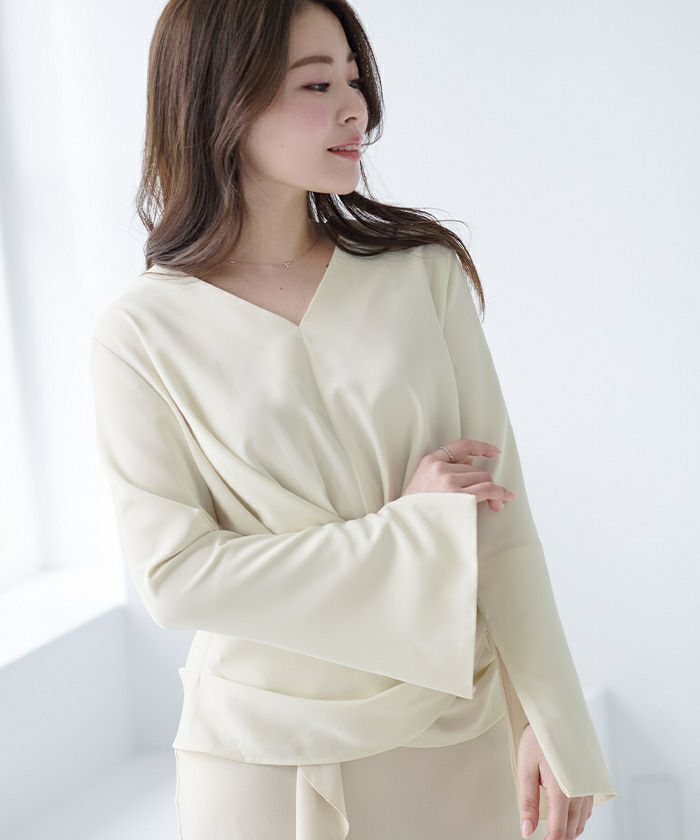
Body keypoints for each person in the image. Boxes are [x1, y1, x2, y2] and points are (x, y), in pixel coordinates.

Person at [88, 1, 618, 838]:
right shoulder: (141, 335)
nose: (355, 109)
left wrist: (548, 715)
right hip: (255, 753)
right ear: (224, 99)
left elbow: (500, 522)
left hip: (451, 729)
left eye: (353, 79)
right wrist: (411, 529)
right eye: (317, 84)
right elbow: (177, 578)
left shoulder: (422, 276)